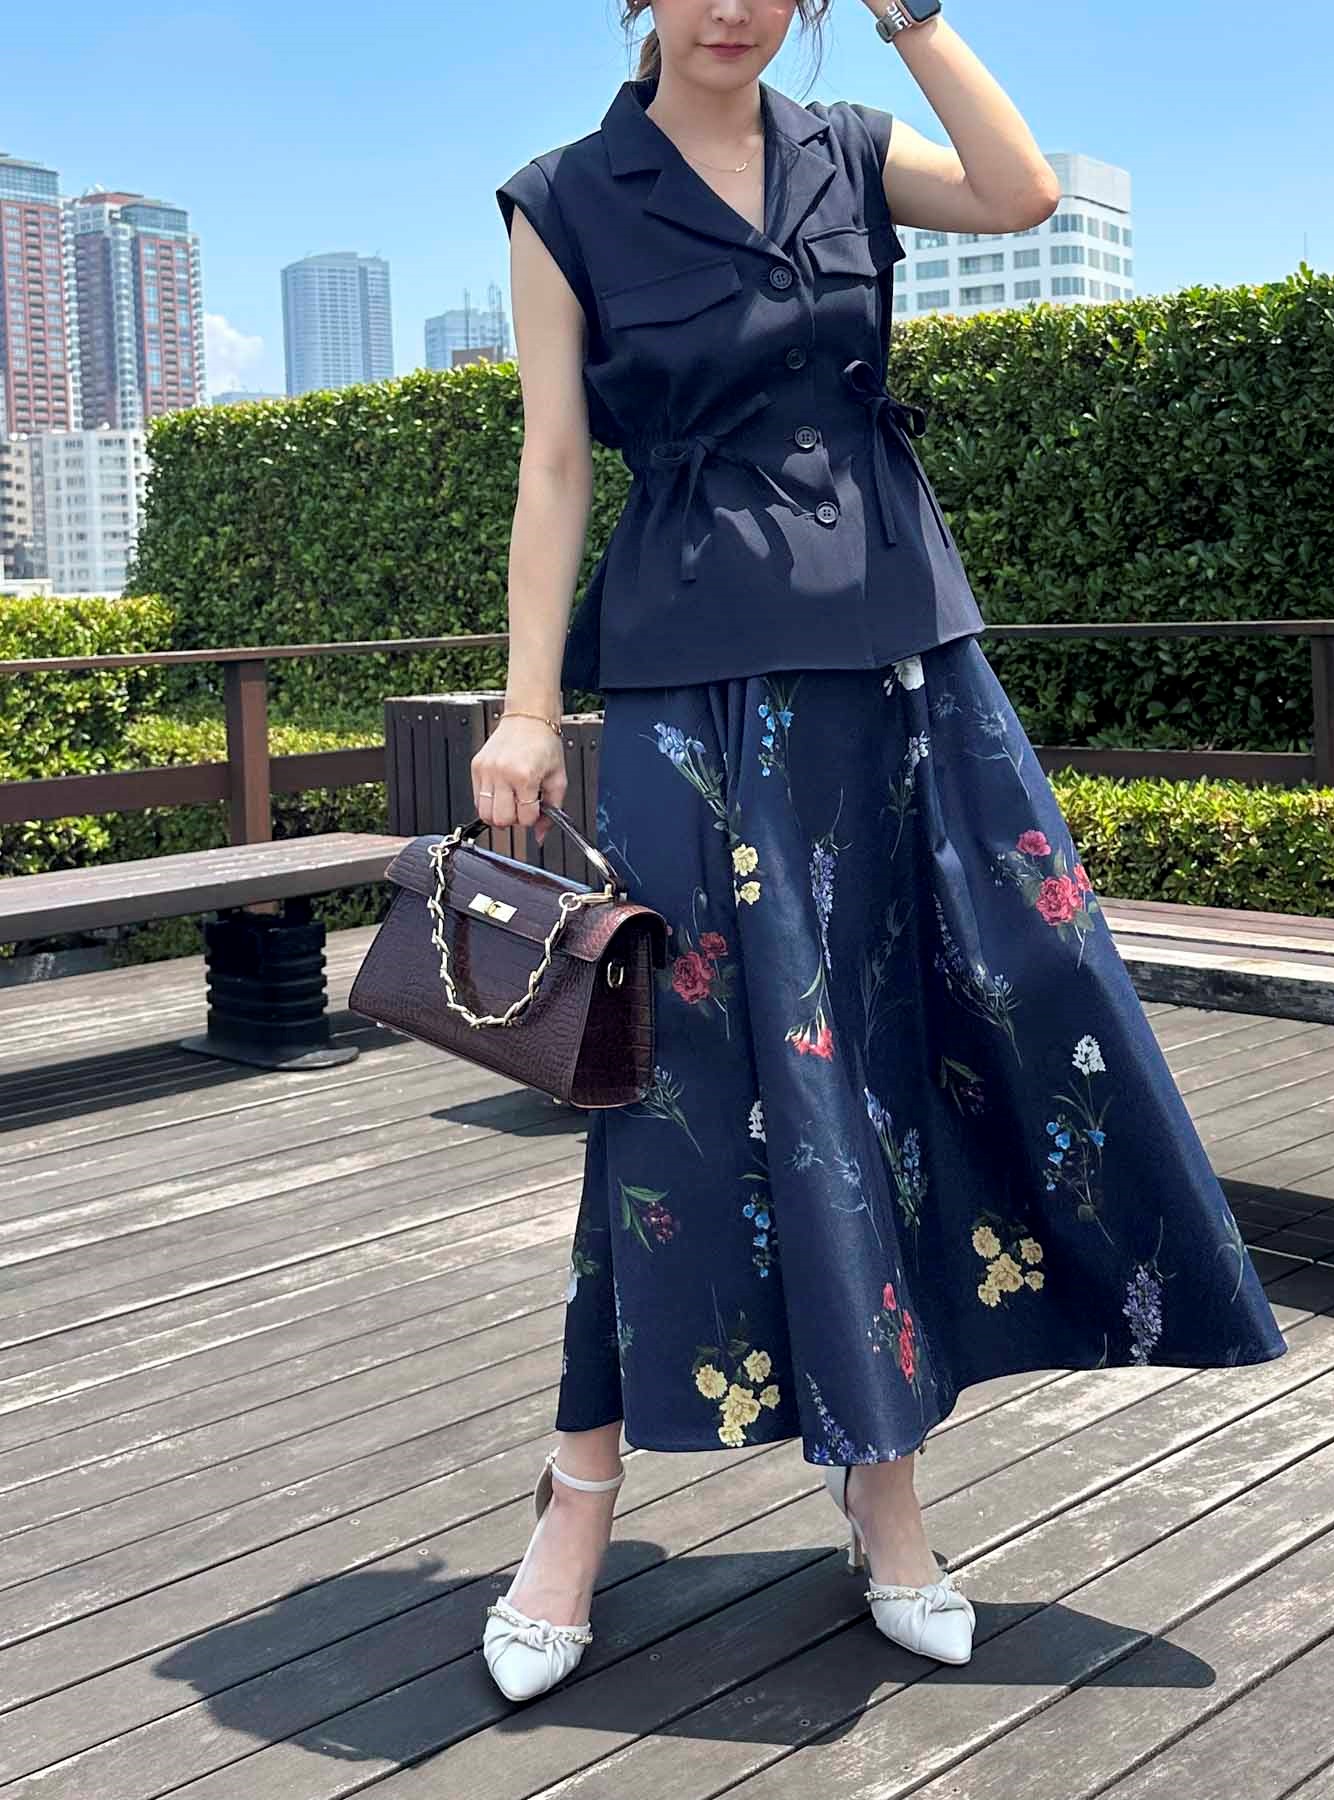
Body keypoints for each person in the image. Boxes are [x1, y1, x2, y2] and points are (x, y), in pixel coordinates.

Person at [476, 0, 1289, 1704]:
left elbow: (1020, 193)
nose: (733, 7)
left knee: (921, 1042)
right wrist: (529, 708)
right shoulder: (563, 196)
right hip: (697, 686)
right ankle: (580, 1496)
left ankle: (886, 1483)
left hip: (905, 665)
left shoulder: (846, 152)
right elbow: (553, 464)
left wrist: (914, 18)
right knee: (684, 1079)